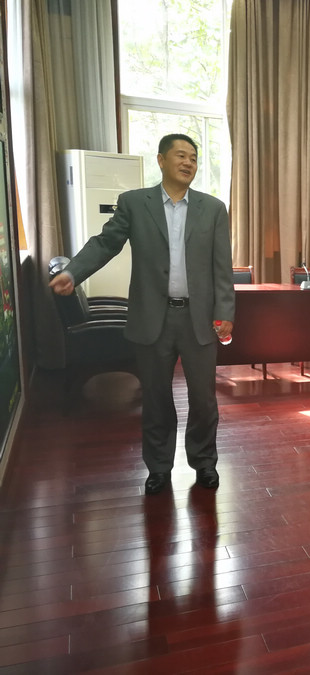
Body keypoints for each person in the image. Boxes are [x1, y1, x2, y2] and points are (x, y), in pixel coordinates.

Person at [49, 134, 234, 495]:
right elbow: (105, 243)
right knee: (156, 397)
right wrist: (73, 273)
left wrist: (225, 311)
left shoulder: (212, 208)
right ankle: (159, 467)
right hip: (152, 318)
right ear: (161, 160)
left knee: (203, 399)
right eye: (180, 155)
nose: (188, 162)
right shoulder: (135, 203)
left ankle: (204, 462)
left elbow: (222, 267)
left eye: (194, 158)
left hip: (199, 320)